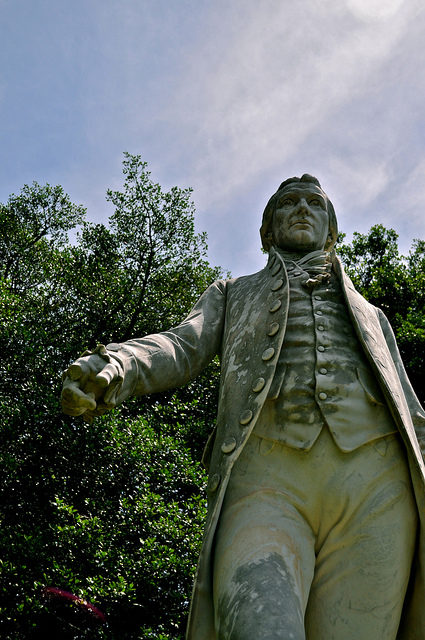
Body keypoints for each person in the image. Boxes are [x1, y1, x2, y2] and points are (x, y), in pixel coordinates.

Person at [61, 175, 425, 640]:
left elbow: (413, 417)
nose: (301, 209)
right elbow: (180, 345)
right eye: (288, 202)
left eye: (315, 203)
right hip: (265, 484)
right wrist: (120, 363)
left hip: (377, 493)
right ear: (266, 230)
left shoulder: (374, 316)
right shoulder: (233, 293)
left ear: (332, 231)